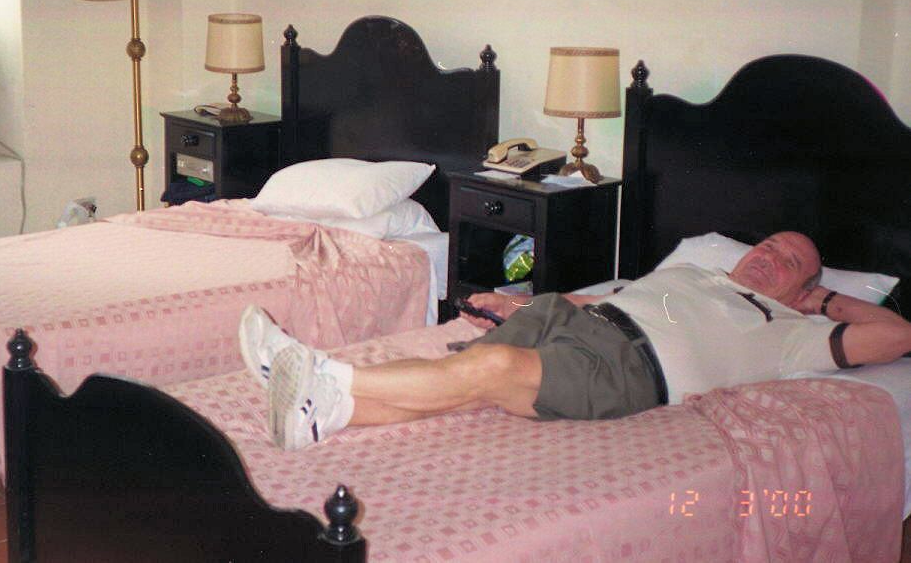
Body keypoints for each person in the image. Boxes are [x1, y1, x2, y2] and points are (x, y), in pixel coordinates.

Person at [239, 231, 911, 451]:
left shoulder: (790, 332)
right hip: (576, 318)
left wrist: (821, 302)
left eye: (789, 262)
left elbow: (897, 334)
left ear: (803, 288)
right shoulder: (692, 273)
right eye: (767, 245)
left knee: (493, 371)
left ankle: (317, 373)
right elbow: (614, 297)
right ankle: (319, 417)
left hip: (630, 369)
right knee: (475, 373)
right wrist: (518, 303)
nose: (767, 258)